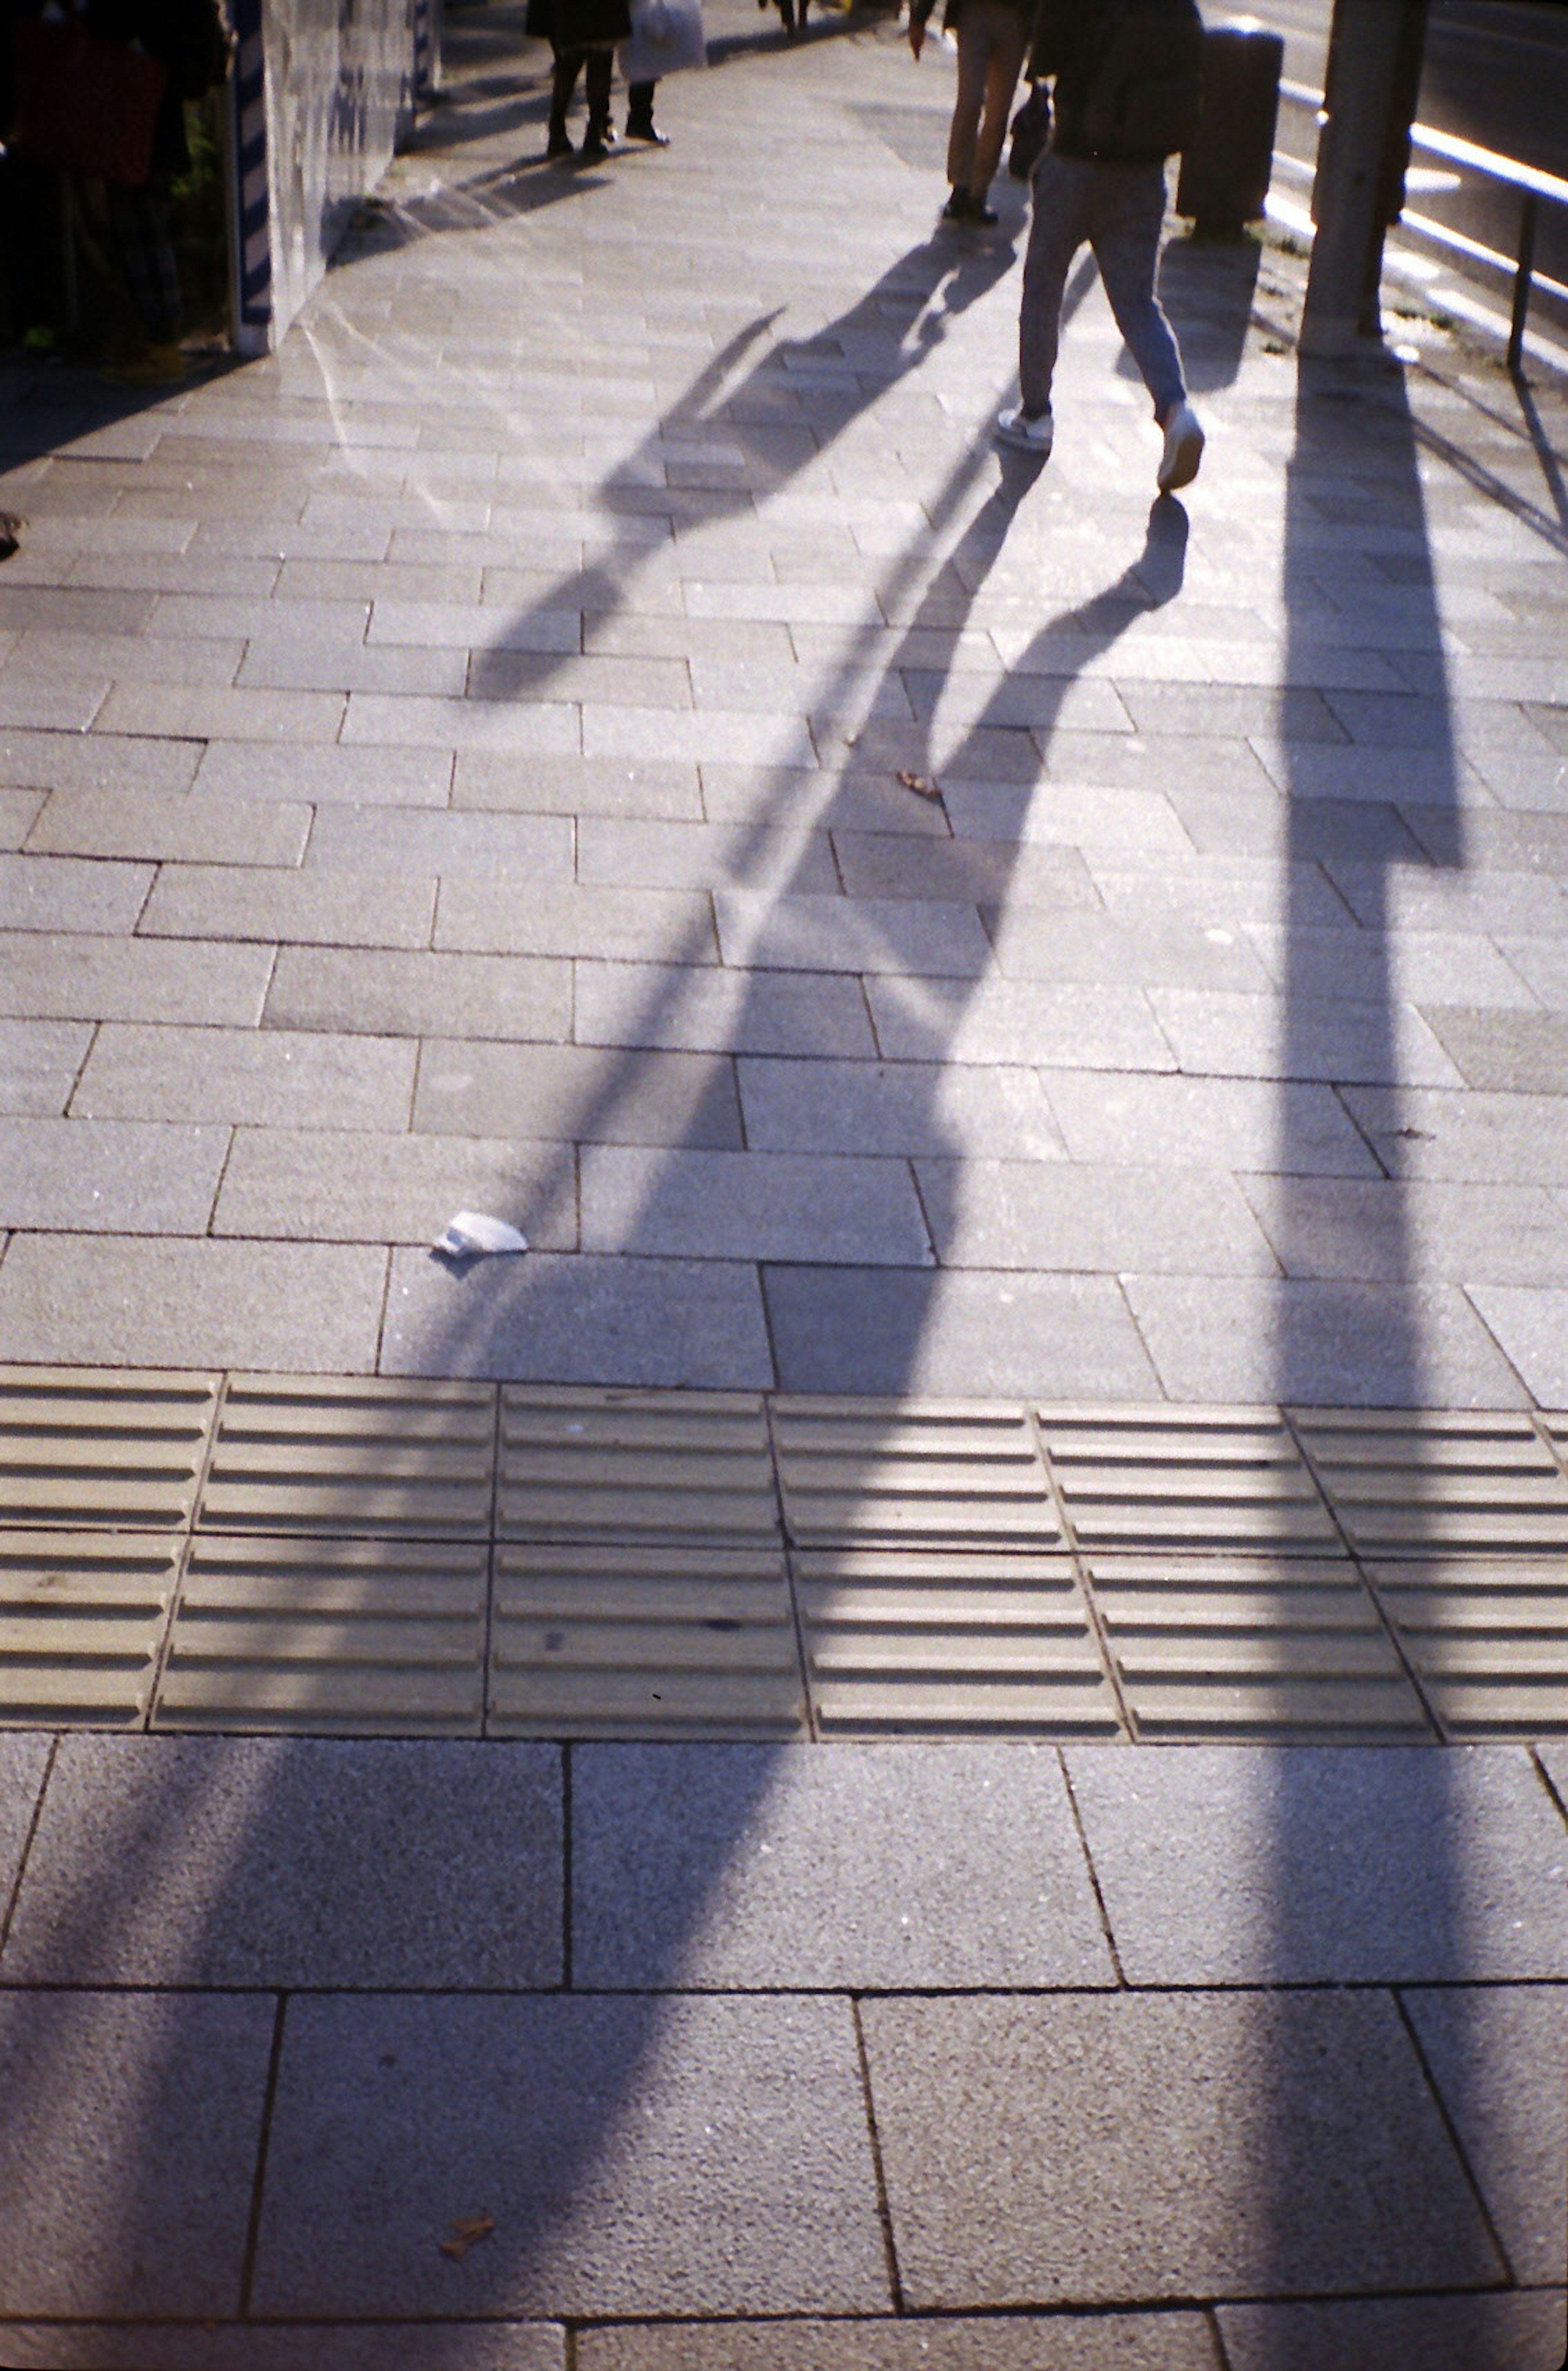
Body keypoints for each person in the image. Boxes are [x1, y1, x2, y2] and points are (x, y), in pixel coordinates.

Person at [996, 0, 1205, 493]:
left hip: (1076, 160)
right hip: (1144, 171)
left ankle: (1036, 413)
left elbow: (1046, 56)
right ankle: (1177, 413)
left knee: (1045, 285)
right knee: (1137, 304)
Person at [908, 0, 1033, 227]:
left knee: (998, 112)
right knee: (970, 100)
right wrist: (920, 17)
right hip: (974, 13)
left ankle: (979, 192)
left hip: (1017, 19)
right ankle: (961, 185)